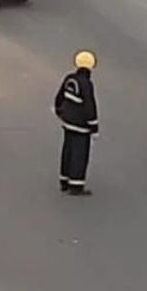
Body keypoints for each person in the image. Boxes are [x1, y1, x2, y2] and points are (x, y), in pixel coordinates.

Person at [54, 51, 99, 195]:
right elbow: (89, 106)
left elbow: (59, 97)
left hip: (68, 122)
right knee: (79, 154)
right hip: (81, 126)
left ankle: (64, 180)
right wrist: (94, 126)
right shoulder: (86, 84)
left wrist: (60, 112)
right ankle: (76, 185)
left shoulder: (69, 79)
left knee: (67, 150)